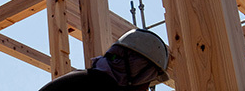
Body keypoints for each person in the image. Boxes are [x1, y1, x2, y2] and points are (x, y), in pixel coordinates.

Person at [38, 29, 170, 90]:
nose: (146, 89)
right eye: (147, 81)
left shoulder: (89, 79)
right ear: (136, 70)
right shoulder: (98, 85)